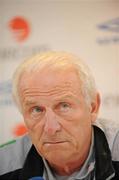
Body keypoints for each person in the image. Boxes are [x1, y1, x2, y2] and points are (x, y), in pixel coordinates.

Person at [0, 51, 119, 180]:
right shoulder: (4, 163)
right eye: (37, 110)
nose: (51, 128)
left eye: (64, 106)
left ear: (93, 107)